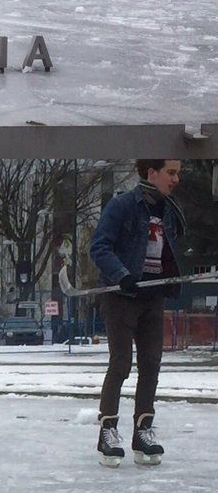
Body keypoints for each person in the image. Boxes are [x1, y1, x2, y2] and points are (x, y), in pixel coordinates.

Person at [90, 159, 184, 468]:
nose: (176, 179)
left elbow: (168, 249)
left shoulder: (168, 210)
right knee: (120, 364)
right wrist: (122, 275)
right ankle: (108, 431)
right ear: (151, 173)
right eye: (171, 173)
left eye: (178, 173)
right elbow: (99, 247)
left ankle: (143, 431)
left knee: (151, 364)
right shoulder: (121, 206)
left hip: (152, 296)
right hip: (122, 297)